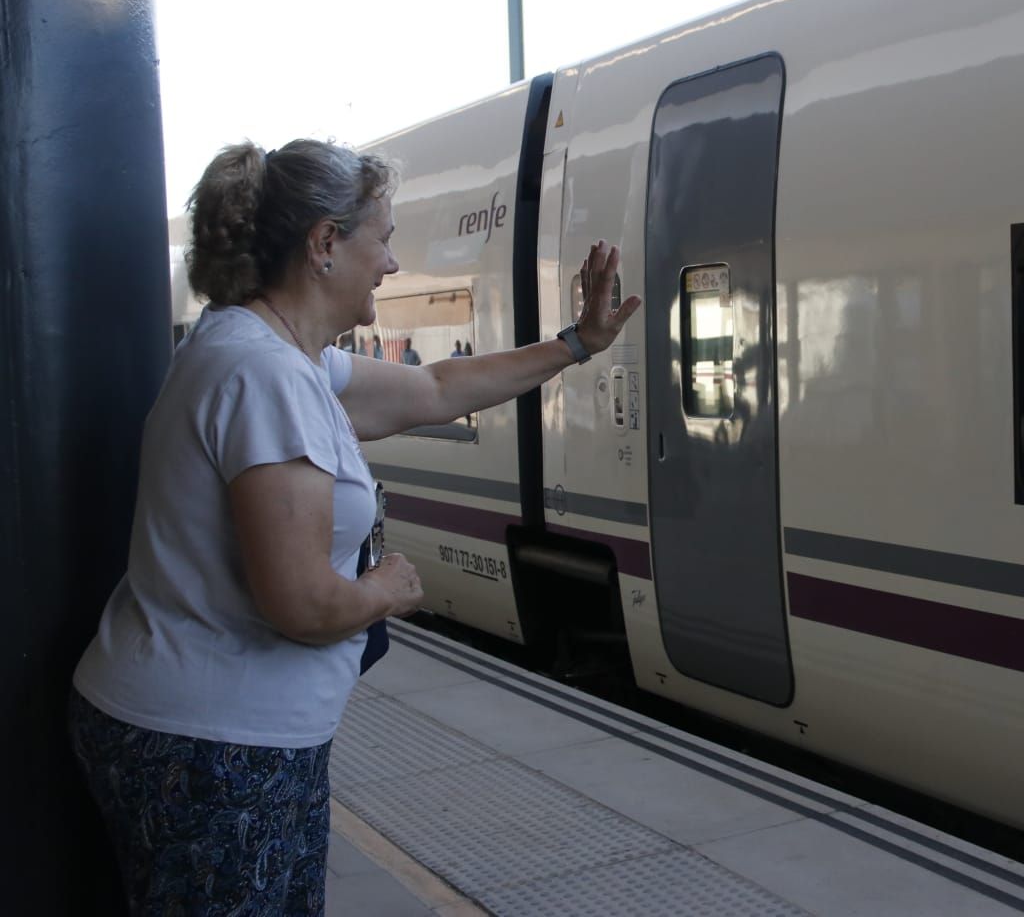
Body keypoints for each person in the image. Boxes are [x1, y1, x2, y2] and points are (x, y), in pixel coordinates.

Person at [68, 138, 639, 915]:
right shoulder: (266, 375)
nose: (394, 264)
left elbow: (436, 386)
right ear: (325, 244)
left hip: (193, 725)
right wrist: (388, 589)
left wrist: (577, 345)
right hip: (219, 750)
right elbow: (302, 606)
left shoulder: (266, 349)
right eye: (386, 237)